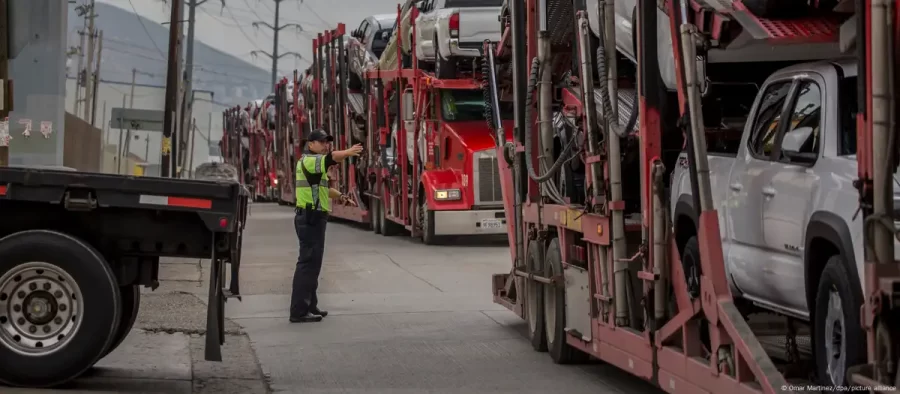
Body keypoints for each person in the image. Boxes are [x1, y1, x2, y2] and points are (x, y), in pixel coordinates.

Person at [290, 129, 363, 323]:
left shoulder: (313, 165)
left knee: (313, 264)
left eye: (326, 142)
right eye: (321, 142)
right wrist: (348, 152)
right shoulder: (310, 160)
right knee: (307, 264)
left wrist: (340, 196)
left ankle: (310, 305)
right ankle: (299, 311)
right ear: (310, 144)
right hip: (310, 217)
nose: (325, 145)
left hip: (313, 217)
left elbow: (322, 187)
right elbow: (332, 158)